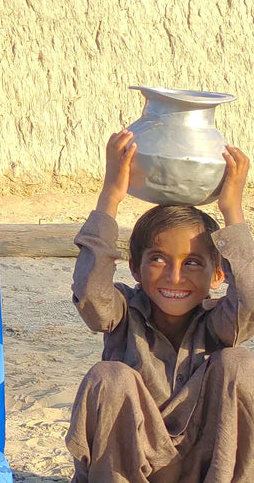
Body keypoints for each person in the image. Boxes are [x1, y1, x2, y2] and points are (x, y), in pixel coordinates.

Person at [66, 129, 254, 482]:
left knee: (240, 363)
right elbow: (91, 294)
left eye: (193, 263)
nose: (175, 277)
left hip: (205, 465)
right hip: (129, 466)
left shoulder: (219, 323)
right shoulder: (122, 313)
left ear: (218, 274)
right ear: (135, 267)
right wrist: (110, 197)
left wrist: (233, 211)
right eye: (158, 260)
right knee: (110, 376)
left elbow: (251, 302)